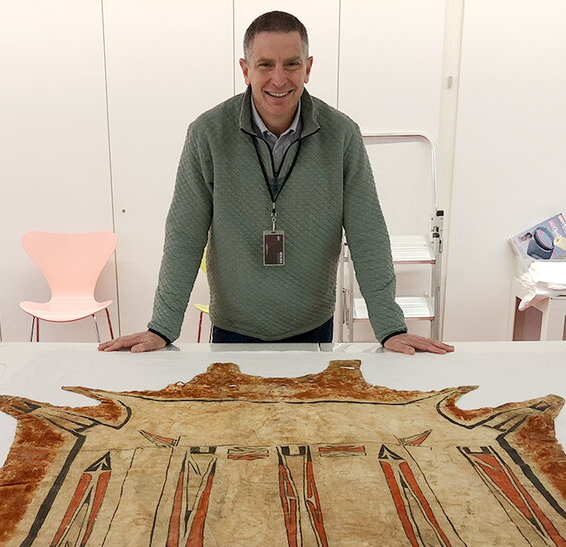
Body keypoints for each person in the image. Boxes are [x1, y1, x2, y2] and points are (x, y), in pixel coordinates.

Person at [100, 10, 453, 355]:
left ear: (308, 68)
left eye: (291, 64)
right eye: (266, 65)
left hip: (313, 327)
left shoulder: (342, 134)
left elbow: (367, 232)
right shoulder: (207, 134)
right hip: (233, 329)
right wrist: (162, 327)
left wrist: (390, 327)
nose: (279, 79)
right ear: (246, 70)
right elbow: (184, 234)